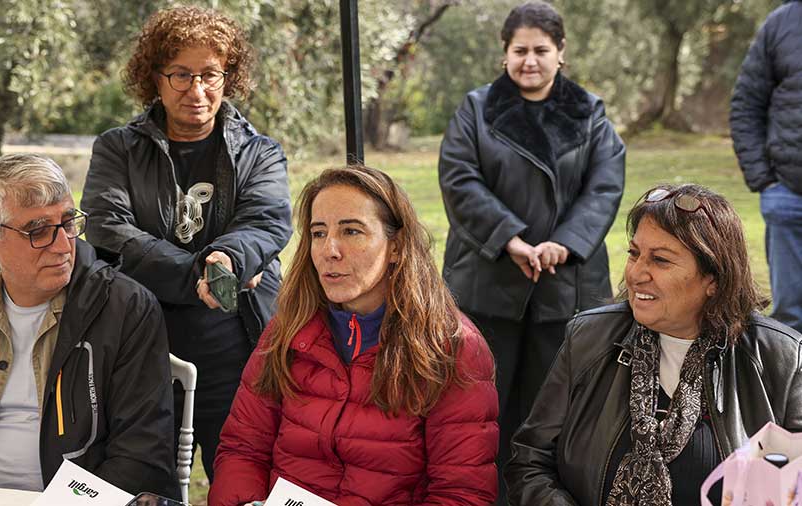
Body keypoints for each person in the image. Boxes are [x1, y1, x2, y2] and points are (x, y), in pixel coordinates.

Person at [81, 6, 292, 481]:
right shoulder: (118, 149)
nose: (197, 91)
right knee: (144, 483)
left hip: (236, 341)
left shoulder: (260, 151)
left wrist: (230, 256)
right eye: (181, 74)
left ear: (228, 77)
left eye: (210, 74)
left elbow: (266, 221)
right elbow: (108, 227)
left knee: (240, 478)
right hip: (142, 343)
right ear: (154, 77)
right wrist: (204, 270)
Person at [207, 165, 499, 505]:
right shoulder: (286, 330)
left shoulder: (452, 347)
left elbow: (461, 494)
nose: (330, 249)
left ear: (397, 247)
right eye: (318, 233)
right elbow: (242, 450)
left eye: (351, 231)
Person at [505, 184, 802, 506]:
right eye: (634, 254)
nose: (636, 273)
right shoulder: (590, 338)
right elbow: (531, 462)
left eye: (660, 260)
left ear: (714, 279)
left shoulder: (779, 357)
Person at [437, 1, 625, 501]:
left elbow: (604, 187)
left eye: (541, 50)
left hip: (565, 285)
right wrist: (512, 240)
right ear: (505, 54)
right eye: (520, 50)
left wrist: (562, 244)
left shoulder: (590, 112)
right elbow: (460, 181)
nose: (530, 60)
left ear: (561, 53)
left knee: (555, 409)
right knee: (482, 406)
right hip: (488, 280)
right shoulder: (475, 109)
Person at [0, 154, 177, 497]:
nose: (64, 245)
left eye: (67, 222)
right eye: (38, 230)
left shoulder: (126, 309)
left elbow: (142, 456)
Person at [730, 0, 802, 333]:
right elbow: (746, 104)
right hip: (789, 196)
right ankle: (793, 384)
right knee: (792, 317)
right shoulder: (781, 24)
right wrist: (766, 182)